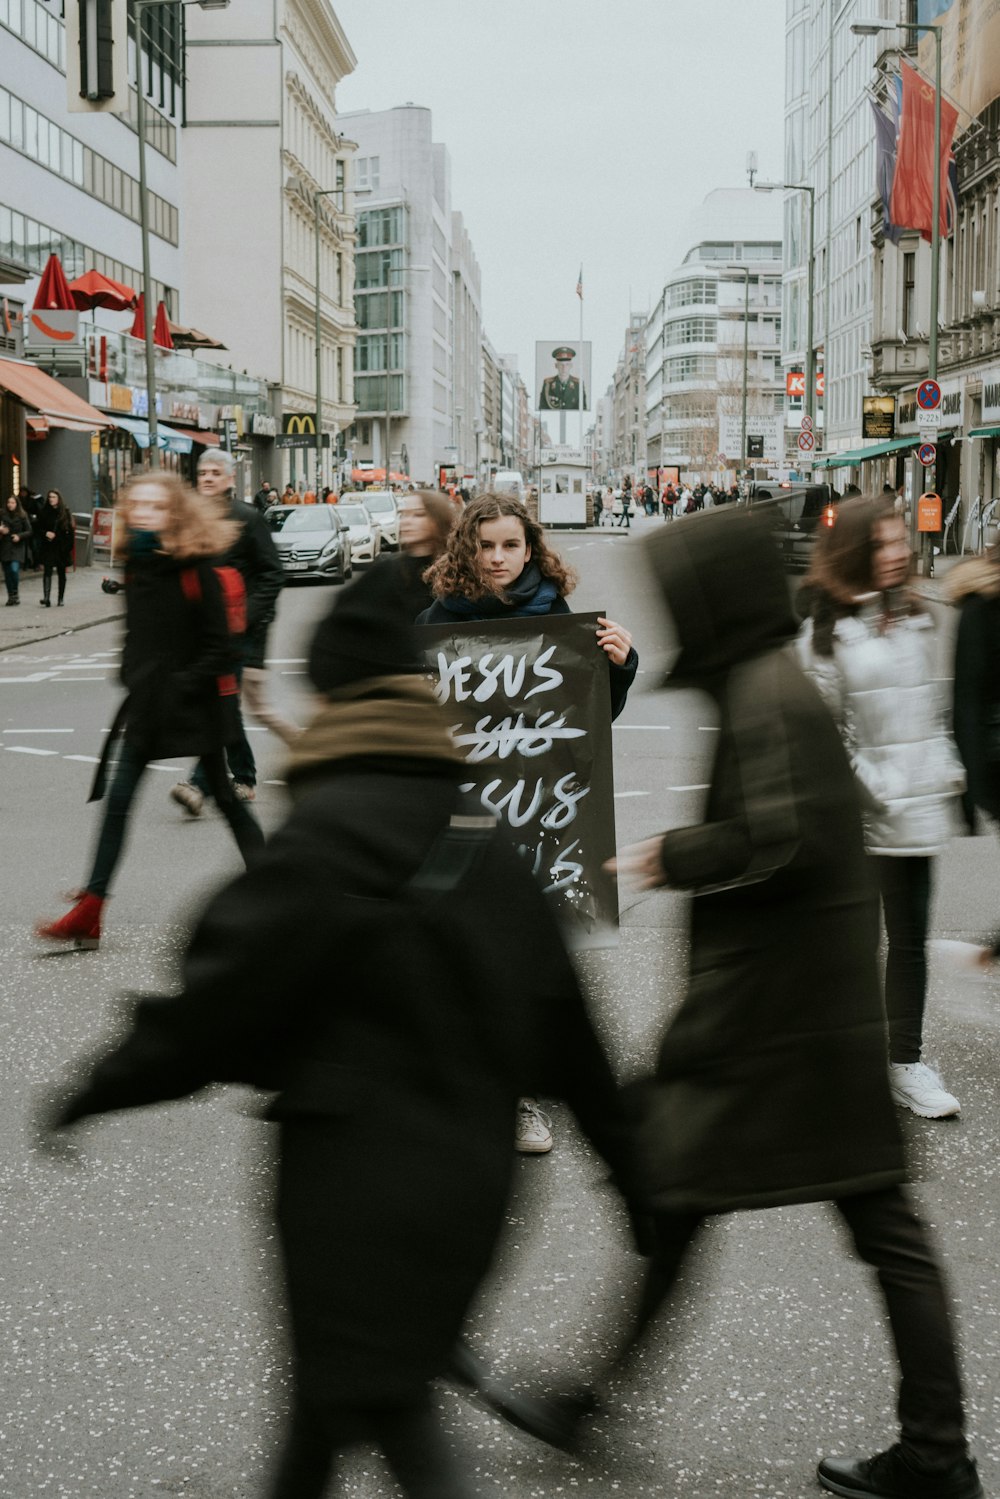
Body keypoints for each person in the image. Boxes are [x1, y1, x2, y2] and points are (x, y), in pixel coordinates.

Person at [40, 564, 633, 1499]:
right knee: (331, 1407)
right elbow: (571, 1036)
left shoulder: (323, 837)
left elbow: (211, 1011)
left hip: (346, 1194)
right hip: (473, 1195)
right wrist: (639, 1178)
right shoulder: (488, 843)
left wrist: (91, 1090)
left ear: (334, 693)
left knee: (383, 1406)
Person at [511, 507, 981, 1499]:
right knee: (731, 1199)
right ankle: (588, 1399)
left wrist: (662, 854)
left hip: (783, 1013)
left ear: (709, 600)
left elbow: (776, 836)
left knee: (802, 1208)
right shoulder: (769, 679)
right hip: (799, 1004)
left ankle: (936, 1451)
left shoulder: (766, 691)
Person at [418, 493, 638, 1155]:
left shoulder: (556, 617)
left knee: (529, 962)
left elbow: (584, 721)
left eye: (510, 546)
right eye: (485, 546)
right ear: (466, 549)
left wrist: (620, 665)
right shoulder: (434, 623)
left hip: (541, 817)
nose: (497, 559)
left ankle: (520, 1095)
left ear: (530, 547)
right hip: (463, 816)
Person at [35, 473, 265, 951]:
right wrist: (131, 674)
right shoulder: (137, 564)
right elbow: (141, 636)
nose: (144, 513)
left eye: (156, 506)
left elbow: (220, 646)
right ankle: (91, 910)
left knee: (225, 800)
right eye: (137, 504)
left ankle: (279, 894)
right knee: (118, 802)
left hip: (194, 710)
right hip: (148, 709)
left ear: (175, 513)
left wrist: (179, 686)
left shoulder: (195, 565)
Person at [797, 494, 965, 1119]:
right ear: (854, 553)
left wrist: (944, 765)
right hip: (861, 816)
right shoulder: (825, 630)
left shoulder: (918, 617)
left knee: (912, 941)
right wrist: (881, 789)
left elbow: (932, 708)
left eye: (900, 542)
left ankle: (905, 1062)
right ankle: (847, 1062)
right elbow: (826, 735)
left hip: (915, 807)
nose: (898, 554)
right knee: (855, 943)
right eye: (883, 544)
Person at [170, 449, 289, 816]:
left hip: (239, 631)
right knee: (220, 704)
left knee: (222, 702)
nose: (206, 477)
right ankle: (244, 775)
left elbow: (272, 573)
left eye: (214, 472)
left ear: (229, 479)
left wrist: (246, 616)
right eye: (202, 472)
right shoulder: (189, 519)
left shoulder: (247, 518)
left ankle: (199, 784)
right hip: (201, 630)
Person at [380, 489, 456, 618]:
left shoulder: (457, 569)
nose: (406, 521)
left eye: (418, 514)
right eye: (403, 514)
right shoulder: (387, 570)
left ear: (438, 519)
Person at [34, 489, 75, 607]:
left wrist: (68, 547)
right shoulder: (44, 512)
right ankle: (46, 597)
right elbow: (37, 528)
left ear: (58, 499)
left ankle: (60, 598)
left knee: (61, 573)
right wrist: (46, 533)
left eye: (54, 497)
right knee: (47, 571)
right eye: (50, 497)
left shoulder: (64, 512)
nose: (51, 499)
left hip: (61, 546)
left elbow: (70, 531)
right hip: (48, 546)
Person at [0, 492, 31, 605]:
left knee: (14, 569)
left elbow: (29, 531)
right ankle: (11, 596)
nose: (10, 504)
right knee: (7, 572)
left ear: (17, 504)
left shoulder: (22, 515)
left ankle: (15, 592)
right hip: (5, 545)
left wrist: (19, 536)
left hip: (17, 546)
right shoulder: (2, 514)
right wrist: (1, 530)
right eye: (8, 502)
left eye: (12, 502)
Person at [538, 345, 585, 411]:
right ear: (556, 366)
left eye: (567, 365)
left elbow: (583, 409)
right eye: (561, 365)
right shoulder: (547, 384)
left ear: (571, 366)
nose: (564, 368)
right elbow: (542, 409)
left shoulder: (578, 384)